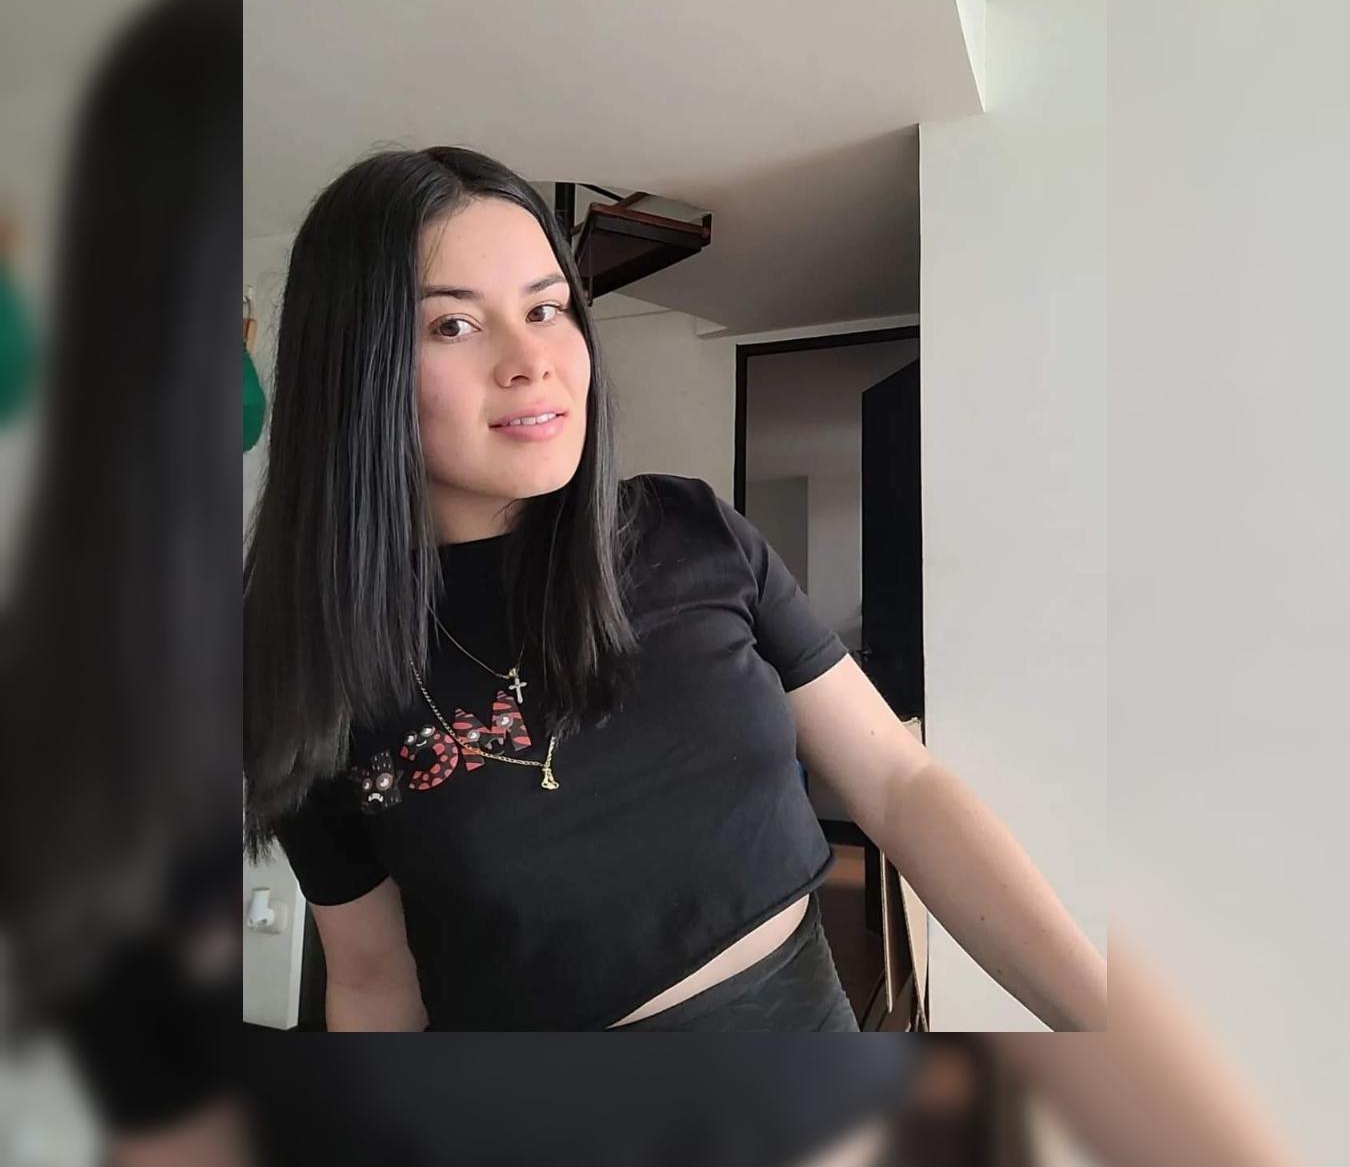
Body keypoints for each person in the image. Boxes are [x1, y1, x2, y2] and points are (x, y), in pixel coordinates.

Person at [243, 145, 1107, 1033]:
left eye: (546, 308)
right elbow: (374, 981)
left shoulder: (688, 531)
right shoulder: (306, 667)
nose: (531, 360)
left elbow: (897, 784)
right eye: (454, 325)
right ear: (354, 368)